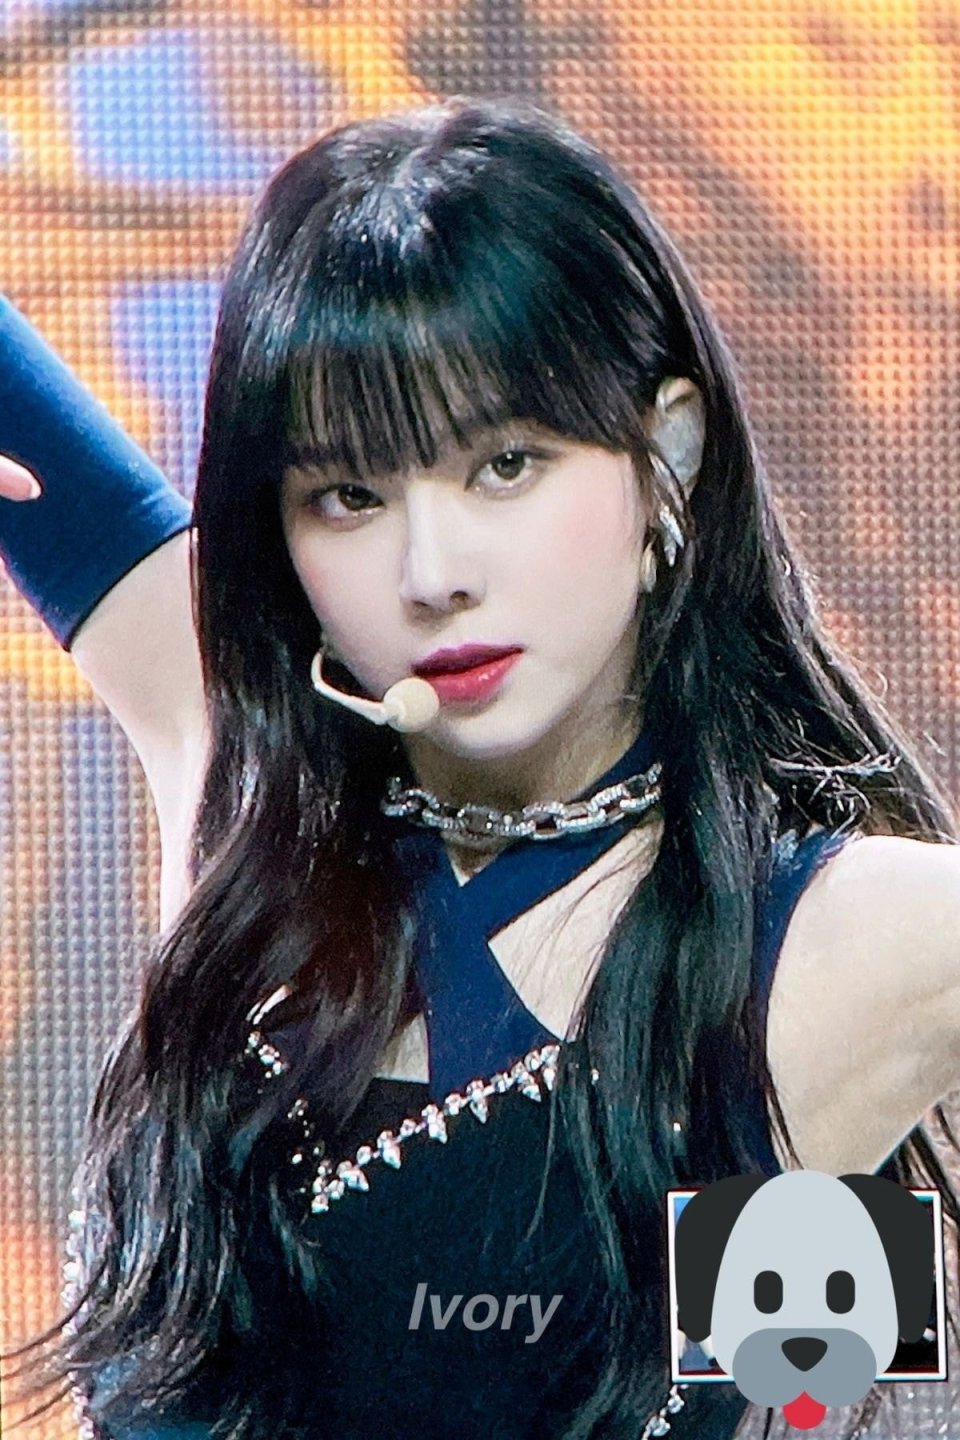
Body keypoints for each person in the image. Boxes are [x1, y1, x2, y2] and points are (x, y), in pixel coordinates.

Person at [2, 96, 959, 1440]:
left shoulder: (854, 935)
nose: (432, 571)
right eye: (349, 495)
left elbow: (803, 1385)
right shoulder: (243, 777)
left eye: (505, 465)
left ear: (668, 451)